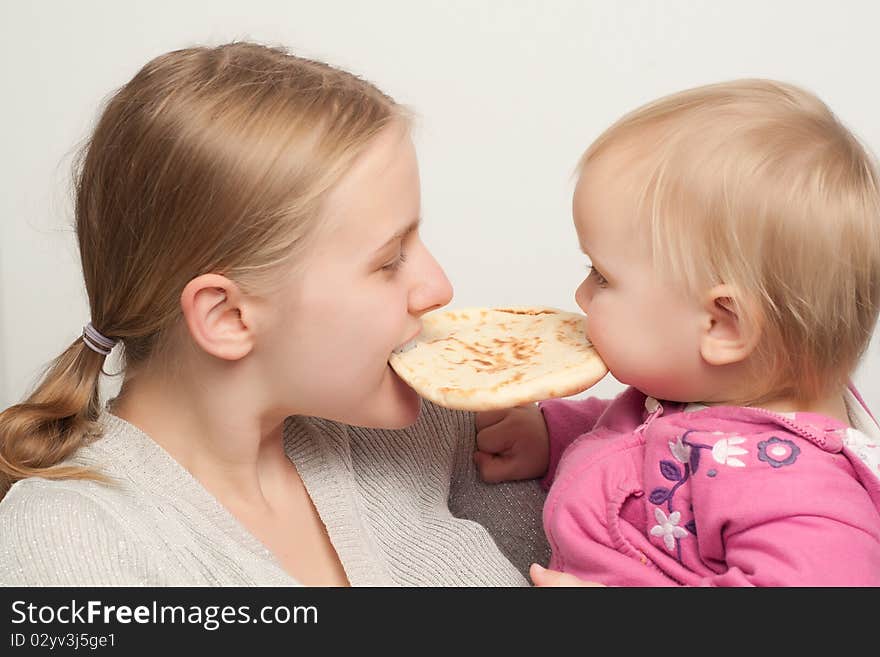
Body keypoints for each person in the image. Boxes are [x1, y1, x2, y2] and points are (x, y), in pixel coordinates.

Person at [0, 41, 549, 586]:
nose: (438, 288)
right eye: (388, 261)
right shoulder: (67, 539)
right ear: (228, 318)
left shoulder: (459, 428)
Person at [474, 79, 880, 586]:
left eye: (602, 277)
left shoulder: (798, 491)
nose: (581, 296)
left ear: (722, 325)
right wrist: (555, 437)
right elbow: (644, 448)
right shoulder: (706, 396)